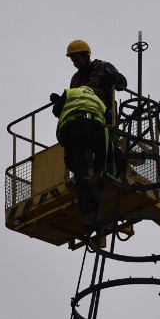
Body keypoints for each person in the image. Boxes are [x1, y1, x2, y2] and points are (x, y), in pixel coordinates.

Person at [50, 86, 109, 229]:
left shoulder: (71, 92)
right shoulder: (98, 100)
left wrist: (59, 102)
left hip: (71, 130)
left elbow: (56, 111)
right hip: (95, 126)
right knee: (105, 162)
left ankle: (89, 213)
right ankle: (96, 177)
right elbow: (109, 118)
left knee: (79, 172)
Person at [65, 40, 127, 126]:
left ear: (86, 56)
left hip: (104, 116)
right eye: (73, 61)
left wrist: (111, 78)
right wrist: (61, 100)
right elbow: (72, 98)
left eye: (77, 59)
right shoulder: (75, 79)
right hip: (81, 118)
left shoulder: (103, 67)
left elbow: (123, 84)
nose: (75, 63)